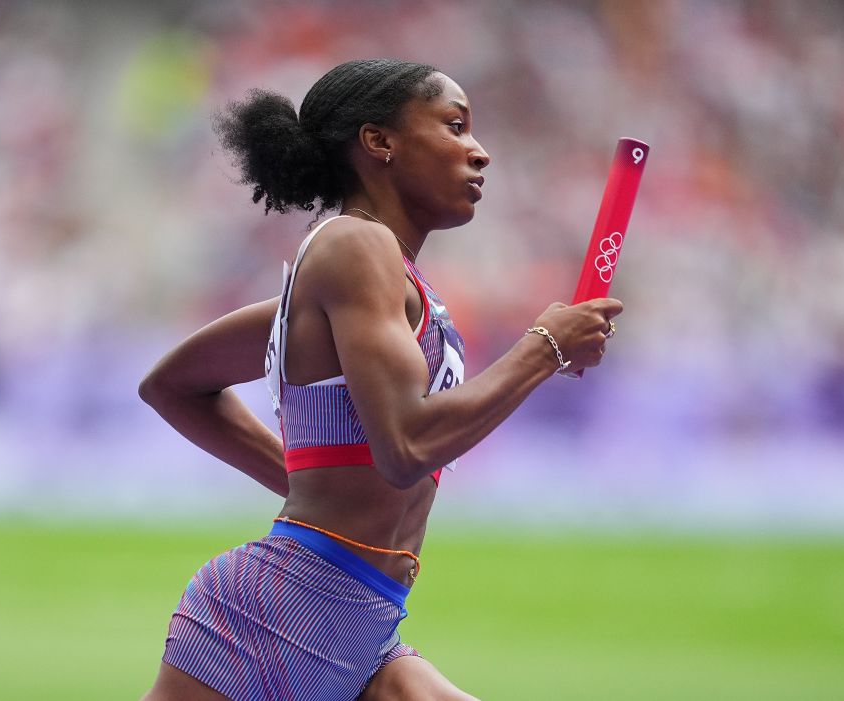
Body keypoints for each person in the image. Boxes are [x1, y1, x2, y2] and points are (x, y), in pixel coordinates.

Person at [138, 58, 623, 701]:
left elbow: (173, 386)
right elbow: (406, 448)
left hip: (356, 621)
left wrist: (307, 484)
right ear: (379, 142)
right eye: (454, 126)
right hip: (281, 617)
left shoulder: (369, 276)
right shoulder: (353, 247)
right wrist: (544, 348)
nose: (480, 153)